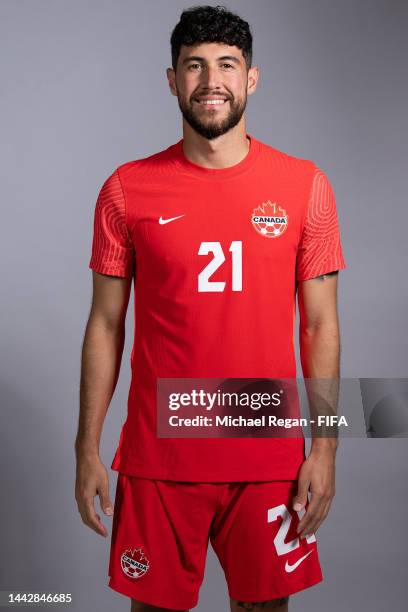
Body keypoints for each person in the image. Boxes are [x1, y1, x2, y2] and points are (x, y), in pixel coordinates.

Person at [75, 5, 346, 611]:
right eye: (194, 66)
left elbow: (320, 325)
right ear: (172, 80)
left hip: (266, 453)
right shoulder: (126, 189)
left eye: (227, 65)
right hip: (159, 456)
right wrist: (86, 448)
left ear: (251, 78)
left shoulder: (306, 186)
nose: (211, 80)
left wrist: (324, 450)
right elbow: (105, 323)